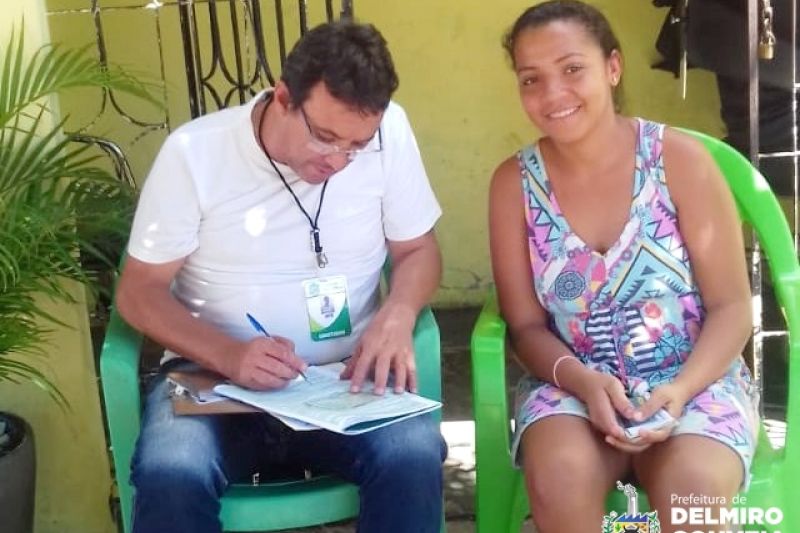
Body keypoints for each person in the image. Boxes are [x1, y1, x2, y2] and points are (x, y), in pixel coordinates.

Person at [115, 20, 445, 533]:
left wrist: (398, 313)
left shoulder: (391, 131)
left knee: (412, 454)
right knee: (172, 472)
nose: (339, 160)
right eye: (325, 137)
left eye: (358, 144)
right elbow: (138, 294)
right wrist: (228, 354)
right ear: (284, 97)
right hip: (213, 379)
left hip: (343, 378)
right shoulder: (195, 154)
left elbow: (419, 249)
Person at [488, 2, 759, 532]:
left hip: (695, 382)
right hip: (572, 385)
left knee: (695, 496)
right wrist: (586, 383)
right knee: (559, 476)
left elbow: (731, 307)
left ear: (613, 68)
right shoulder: (512, 185)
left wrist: (678, 392)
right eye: (531, 79)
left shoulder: (680, 161)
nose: (552, 95)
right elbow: (523, 327)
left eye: (572, 69)